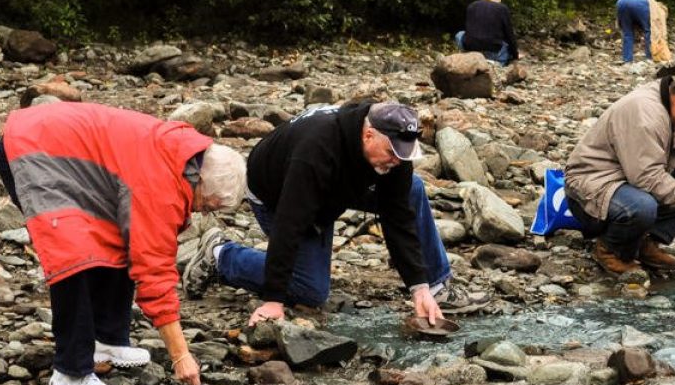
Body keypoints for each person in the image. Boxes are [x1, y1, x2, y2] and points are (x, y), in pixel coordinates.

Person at [0, 102, 248, 385]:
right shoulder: (160, 187)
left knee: (116, 238)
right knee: (73, 254)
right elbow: (153, 271)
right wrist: (181, 356)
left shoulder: (185, 153)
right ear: (201, 180)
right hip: (34, 151)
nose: (201, 210)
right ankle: (70, 371)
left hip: (66, 148)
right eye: (207, 204)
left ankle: (107, 337)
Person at [181, 102, 487, 328]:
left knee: (411, 189)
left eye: (403, 154)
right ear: (368, 134)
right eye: (392, 152)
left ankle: (435, 287)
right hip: (277, 193)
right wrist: (273, 300)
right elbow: (290, 223)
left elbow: (398, 218)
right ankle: (221, 255)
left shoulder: (395, 151)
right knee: (310, 290)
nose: (397, 159)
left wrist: (417, 287)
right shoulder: (316, 151)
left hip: (338, 186)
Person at [564, 69, 675, 275]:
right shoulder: (645, 115)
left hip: (628, 180)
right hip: (591, 187)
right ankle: (610, 250)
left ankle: (644, 243)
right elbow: (647, 177)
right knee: (642, 207)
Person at [455, 0, 518, 65]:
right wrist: (515, 55)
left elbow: (467, 28)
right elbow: (509, 35)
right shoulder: (502, 8)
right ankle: (496, 62)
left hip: (470, 47)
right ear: (498, 0)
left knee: (460, 34)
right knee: (507, 44)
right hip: (492, 51)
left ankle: (467, 56)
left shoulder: (472, 5)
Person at [615, 0, 672, 64]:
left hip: (621, 1)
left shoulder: (651, 1)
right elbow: (655, 31)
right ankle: (650, 57)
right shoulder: (657, 9)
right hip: (640, 3)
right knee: (649, 31)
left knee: (627, 33)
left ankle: (627, 59)